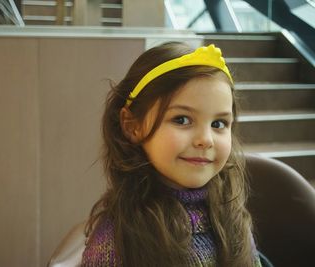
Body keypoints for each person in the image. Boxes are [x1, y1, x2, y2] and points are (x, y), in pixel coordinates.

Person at [81, 42, 262, 266]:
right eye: (182, 119)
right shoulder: (116, 242)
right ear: (132, 126)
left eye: (218, 123)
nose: (205, 139)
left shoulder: (231, 216)